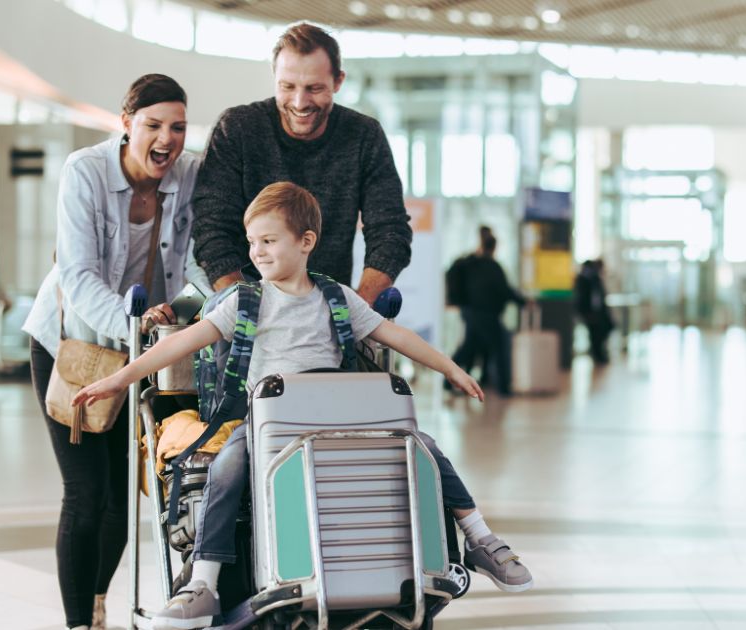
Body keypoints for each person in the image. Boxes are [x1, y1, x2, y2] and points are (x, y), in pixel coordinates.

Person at [76, 183, 533, 630]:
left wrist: (450, 368)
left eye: (269, 240)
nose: (257, 251)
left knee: (425, 447)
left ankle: (479, 538)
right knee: (227, 466)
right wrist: (118, 379)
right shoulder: (244, 302)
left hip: (336, 419)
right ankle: (204, 583)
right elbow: (181, 345)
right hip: (267, 422)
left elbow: (397, 337)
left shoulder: (336, 299)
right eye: (253, 241)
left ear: (306, 242)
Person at [22, 74, 201, 630]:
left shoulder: (190, 175)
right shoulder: (86, 171)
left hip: (138, 357)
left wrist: (207, 306)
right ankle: (81, 622)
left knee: (124, 504)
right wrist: (133, 325)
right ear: (125, 125)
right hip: (71, 348)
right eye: (153, 125)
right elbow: (76, 276)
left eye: (177, 127)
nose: (166, 139)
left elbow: (199, 260)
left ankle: (97, 602)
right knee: (86, 493)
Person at [191, 21, 410, 304]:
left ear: (338, 81)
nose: (299, 101)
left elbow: (390, 231)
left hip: (330, 316)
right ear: (274, 78)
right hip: (243, 315)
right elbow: (211, 228)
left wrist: (356, 312)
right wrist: (244, 308)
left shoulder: (364, 136)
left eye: (314, 88)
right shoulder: (237, 128)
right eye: (288, 86)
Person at [449, 226, 526, 392]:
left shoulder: (470, 264)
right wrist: (523, 302)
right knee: (499, 347)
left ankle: (450, 380)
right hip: (486, 315)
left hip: (470, 312)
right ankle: (504, 388)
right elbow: (505, 291)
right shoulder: (492, 267)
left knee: (469, 348)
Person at [574, 259, 614, 364]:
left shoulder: (595, 279)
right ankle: (598, 355)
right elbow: (582, 298)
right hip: (590, 313)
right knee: (595, 334)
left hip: (598, 312)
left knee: (602, 331)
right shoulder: (585, 279)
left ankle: (599, 354)